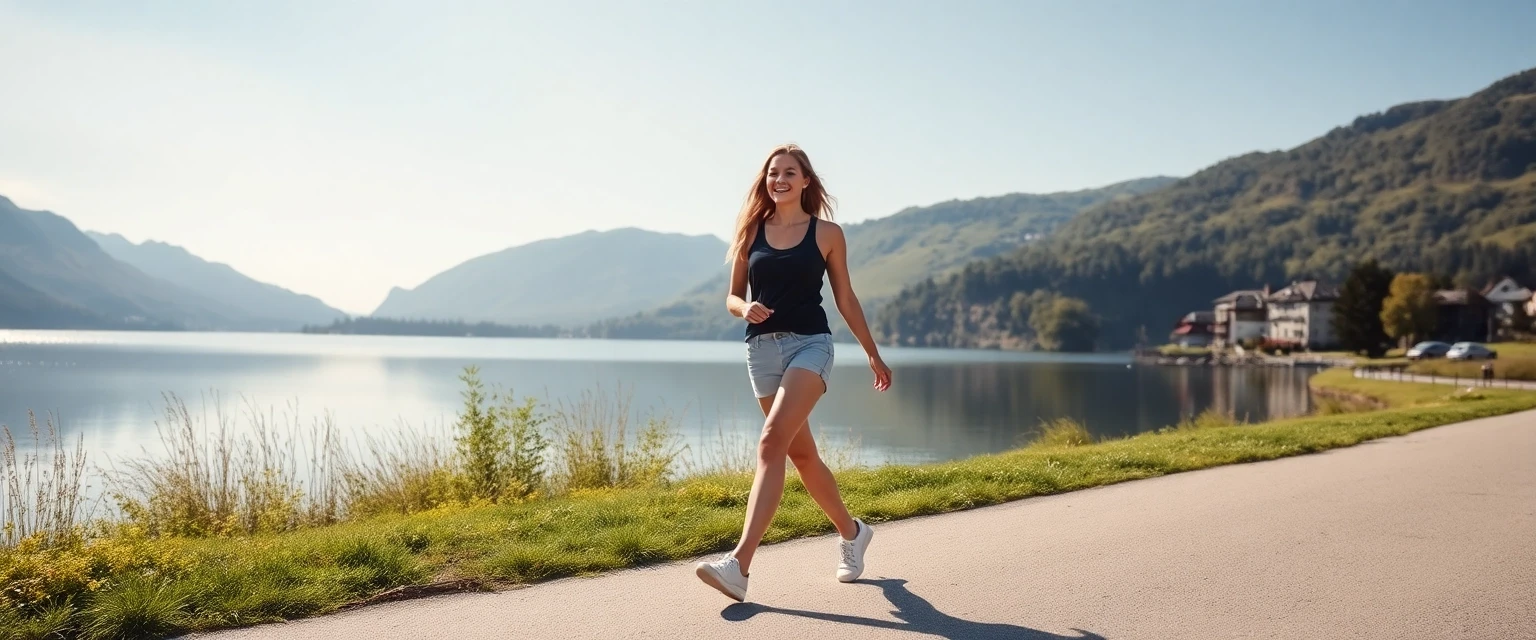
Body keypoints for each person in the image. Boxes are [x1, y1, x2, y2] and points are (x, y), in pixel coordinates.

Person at [694, 143, 893, 602]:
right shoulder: (750, 232)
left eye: (789, 172)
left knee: (770, 442)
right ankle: (853, 531)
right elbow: (731, 298)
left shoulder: (827, 234)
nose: (778, 179)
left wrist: (872, 354)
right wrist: (747, 307)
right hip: (760, 351)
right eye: (772, 173)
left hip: (810, 345)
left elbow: (845, 297)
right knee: (801, 456)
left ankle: (738, 566)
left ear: (806, 181)